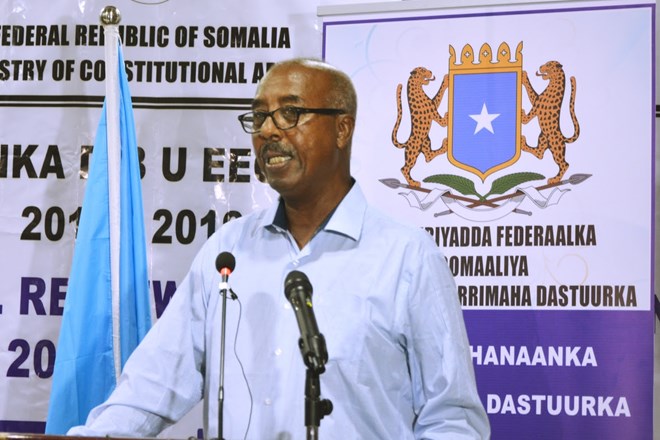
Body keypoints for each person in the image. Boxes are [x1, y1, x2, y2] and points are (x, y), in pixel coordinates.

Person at [67, 58, 490, 439]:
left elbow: (452, 421)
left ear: (342, 129)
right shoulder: (227, 253)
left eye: (291, 113)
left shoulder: (406, 257)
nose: (268, 131)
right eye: (259, 117)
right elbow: (152, 385)